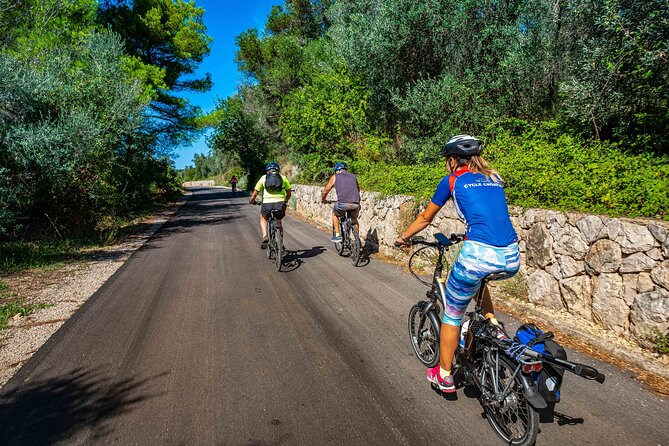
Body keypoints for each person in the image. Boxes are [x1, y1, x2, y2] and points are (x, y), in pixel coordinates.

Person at [395, 135, 519, 393]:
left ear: (453, 160)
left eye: (446, 161)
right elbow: (488, 214)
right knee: (476, 282)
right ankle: (492, 324)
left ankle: (444, 375)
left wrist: (403, 237)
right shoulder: (494, 177)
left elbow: (426, 217)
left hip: (479, 255)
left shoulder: (451, 180)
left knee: (452, 314)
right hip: (511, 256)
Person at [249, 162, 292, 249]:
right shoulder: (283, 178)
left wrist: (252, 200)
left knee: (263, 217)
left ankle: (265, 236)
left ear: (267, 171)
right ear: (278, 170)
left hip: (267, 204)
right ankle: (280, 242)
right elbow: (289, 193)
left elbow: (255, 194)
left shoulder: (263, 178)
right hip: (280, 204)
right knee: (279, 221)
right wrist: (285, 201)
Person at [321, 162, 361, 242]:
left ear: (337, 170)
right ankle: (357, 239)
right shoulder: (353, 176)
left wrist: (323, 200)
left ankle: (337, 235)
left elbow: (325, 191)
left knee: (335, 214)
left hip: (342, 204)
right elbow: (358, 189)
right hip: (356, 204)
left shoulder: (335, 177)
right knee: (354, 219)